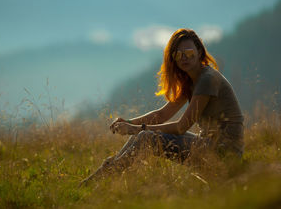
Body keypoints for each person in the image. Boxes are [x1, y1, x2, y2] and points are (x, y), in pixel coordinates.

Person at [80, 28, 244, 186]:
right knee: (141, 135)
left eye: (189, 53)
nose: (184, 58)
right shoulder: (192, 80)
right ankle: (100, 177)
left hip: (223, 153)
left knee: (145, 137)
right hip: (208, 144)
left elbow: (181, 127)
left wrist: (135, 128)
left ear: (200, 52)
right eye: (178, 54)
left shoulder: (207, 79)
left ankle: (102, 179)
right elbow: (162, 114)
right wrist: (130, 122)